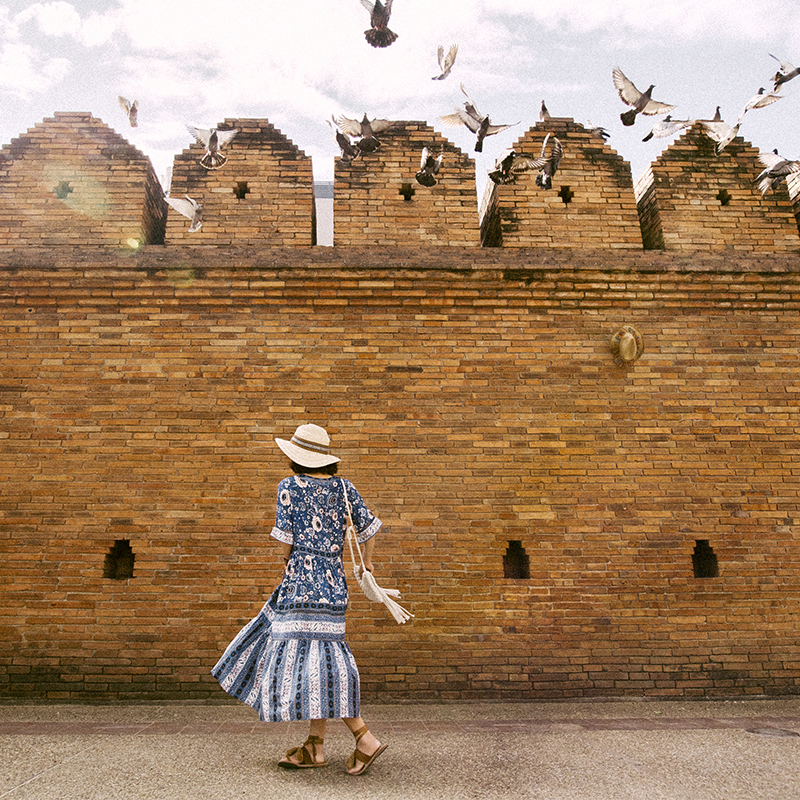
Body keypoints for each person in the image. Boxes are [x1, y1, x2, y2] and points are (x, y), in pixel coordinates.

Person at [212, 423, 388, 775]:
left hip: (300, 585)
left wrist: (289, 560)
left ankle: (364, 737)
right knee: (318, 660)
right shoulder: (344, 487)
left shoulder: (289, 487)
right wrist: (366, 564)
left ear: (296, 457)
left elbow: (285, 542)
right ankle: (315, 746)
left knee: (316, 663)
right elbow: (371, 527)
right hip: (334, 586)